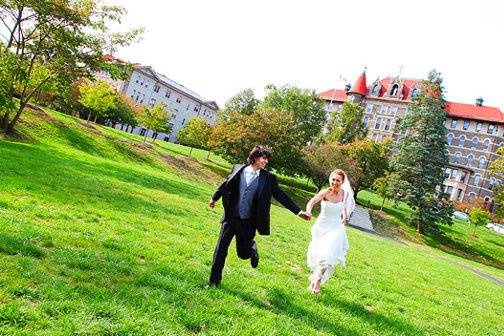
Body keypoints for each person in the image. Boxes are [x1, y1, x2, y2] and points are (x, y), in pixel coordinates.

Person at [208, 145, 311, 287]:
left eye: (267, 159)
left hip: (249, 222)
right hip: (231, 218)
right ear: (255, 158)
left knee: (243, 254)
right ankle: (214, 282)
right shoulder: (238, 169)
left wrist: (298, 212)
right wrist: (214, 198)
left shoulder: (268, 179)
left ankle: (252, 249)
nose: (266, 161)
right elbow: (226, 184)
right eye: (264, 158)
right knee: (220, 249)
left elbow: (281, 196)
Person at [305, 169, 355, 295]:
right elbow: (312, 202)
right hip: (321, 227)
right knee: (318, 255)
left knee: (326, 256)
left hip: (336, 228)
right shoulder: (325, 192)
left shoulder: (345, 194)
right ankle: (314, 280)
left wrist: (345, 216)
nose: (335, 182)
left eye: (338, 180)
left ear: (342, 182)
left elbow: (343, 206)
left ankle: (317, 284)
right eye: (333, 179)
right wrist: (309, 211)